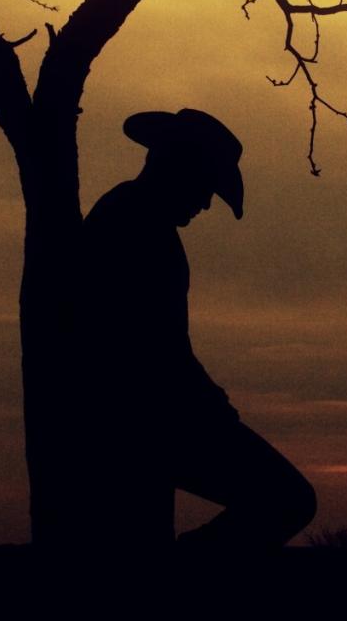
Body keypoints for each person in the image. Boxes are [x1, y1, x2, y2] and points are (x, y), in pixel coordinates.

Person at [74, 107, 316, 554]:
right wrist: (206, 403)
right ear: (179, 169)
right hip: (147, 418)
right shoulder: (135, 226)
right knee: (288, 499)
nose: (206, 204)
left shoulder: (130, 217)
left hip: (139, 417)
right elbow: (152, 347)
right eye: (206, 187)